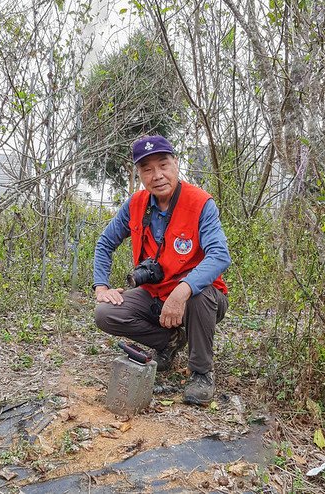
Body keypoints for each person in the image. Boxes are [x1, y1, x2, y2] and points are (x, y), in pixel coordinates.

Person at [93, 134, 231, 405]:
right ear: (140, 174)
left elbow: (220, 255)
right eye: (147, 169)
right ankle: (167, 341)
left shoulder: (200, 202)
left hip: (200, 298)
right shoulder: (135, 204)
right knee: (105, 313)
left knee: (199, 294)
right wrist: (101, 286)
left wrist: (181, 291)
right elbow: (105, 242)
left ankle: (201, 373)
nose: (157, 175)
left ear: (176, 164)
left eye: (163, 165)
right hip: (155, 293)